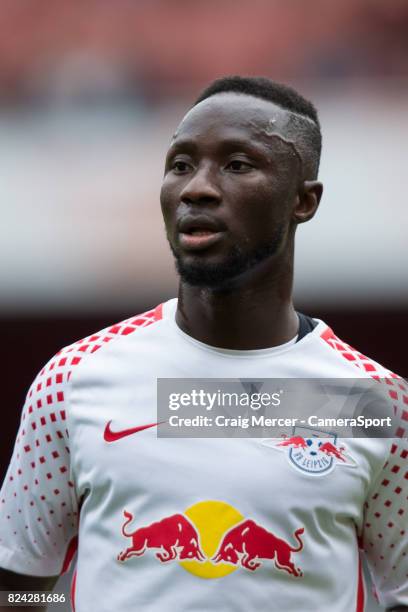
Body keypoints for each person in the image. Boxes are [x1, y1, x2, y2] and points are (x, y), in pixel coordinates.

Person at [0, 76, 407, 612]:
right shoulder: (74, 379)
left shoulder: (369, 402)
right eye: (181, 164)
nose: (197, 188)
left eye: (237, 165)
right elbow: (20, 584)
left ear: (303, 202)